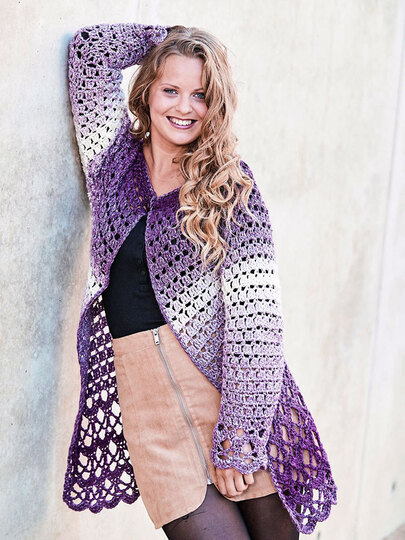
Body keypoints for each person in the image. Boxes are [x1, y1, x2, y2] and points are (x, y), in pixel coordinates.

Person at [63, 22, 338, 539]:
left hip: (235, 400)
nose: (184, 107)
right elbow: (89, 54)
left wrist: (239, 436)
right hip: (151, 411)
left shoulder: (231, 188)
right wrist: (169, 38)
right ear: (147, 91)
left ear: (217, 105)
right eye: (171, 89)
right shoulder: (114, 165)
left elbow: (257, 324)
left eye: (201, 95)